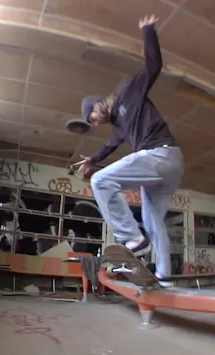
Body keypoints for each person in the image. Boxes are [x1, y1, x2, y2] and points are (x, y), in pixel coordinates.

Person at [72, 14, 184, 285]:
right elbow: (111, 144)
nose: (96, 122)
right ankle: (165, 275)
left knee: (101, 181)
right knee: (153, 219)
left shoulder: (127, 92)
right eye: (92, 123)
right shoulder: (120, 125)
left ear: (99, 104)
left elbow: (154, 65)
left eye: (94, 116)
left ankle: (134, 241)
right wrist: (93, 158)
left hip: (160, 154)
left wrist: (148, 31)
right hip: (172, 165)